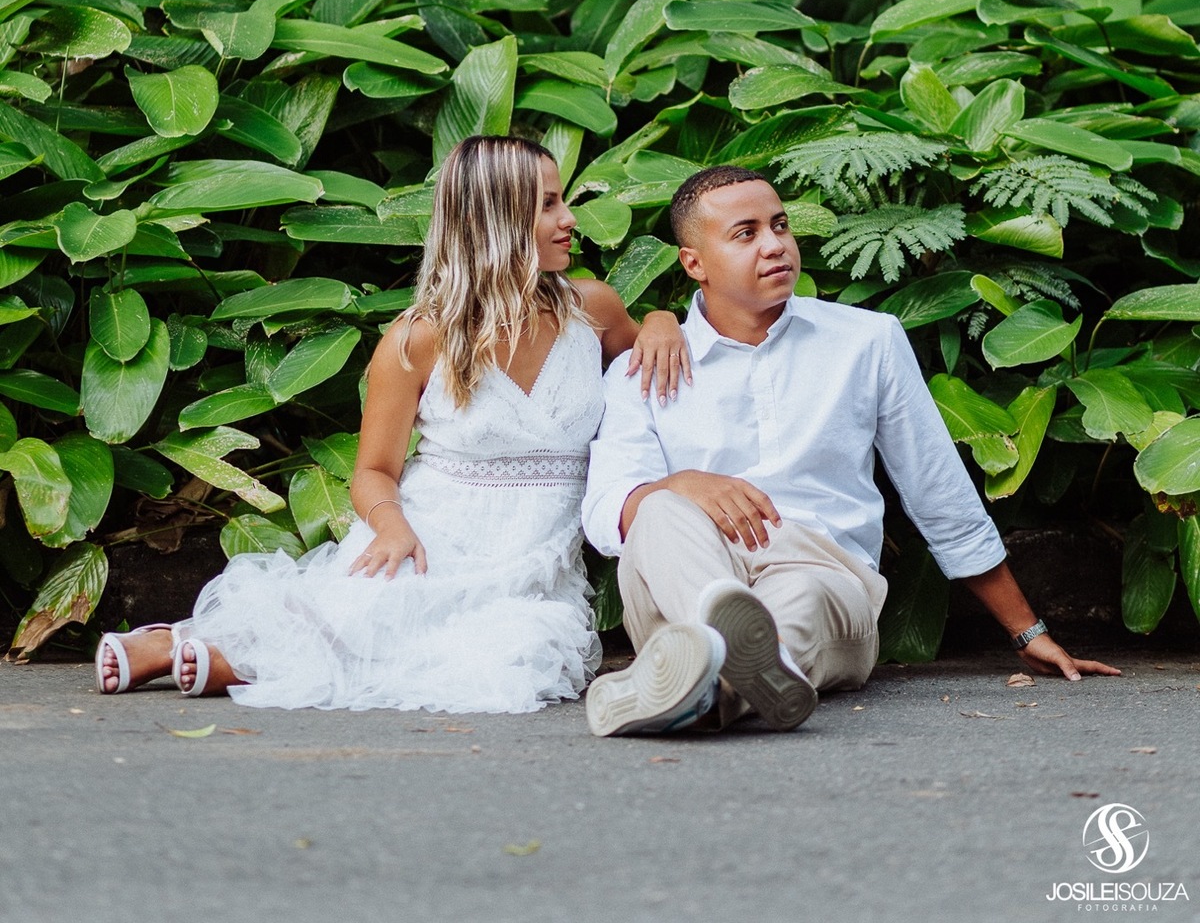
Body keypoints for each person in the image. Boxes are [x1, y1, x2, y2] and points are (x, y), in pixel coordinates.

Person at [94, 135, 691, 712]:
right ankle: (182, 644)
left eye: (563, 201)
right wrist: (391, 527)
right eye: (548, 205)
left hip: (535, 555)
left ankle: (235, 657)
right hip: (433, 531)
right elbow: (374, 471)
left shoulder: (594, 310)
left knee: (510, 655)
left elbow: (650, 370)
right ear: (494, 220)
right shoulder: (418, 339)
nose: (569, 219)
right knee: (364, 615)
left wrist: (663, 317)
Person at [582, 164, 1121, 737]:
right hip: (684, 572)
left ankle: (692, 680)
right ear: (693, 263)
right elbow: (604, 514)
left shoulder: (867, 341)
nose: (774, 246)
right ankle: (723, 659)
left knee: (802, 598)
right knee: (661, 509)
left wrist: (1027, 633)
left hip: (821, 573)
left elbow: (938, 493)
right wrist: (680, 484)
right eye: (746, 234)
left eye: (781, 226)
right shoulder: (644, 367)